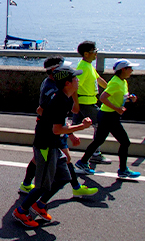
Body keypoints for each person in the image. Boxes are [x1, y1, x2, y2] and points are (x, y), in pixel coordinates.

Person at [13, 66, 92, 228]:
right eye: (76, 79)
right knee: (42, 184)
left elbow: (44, 113)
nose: (78, 81)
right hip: (46, 145)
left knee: (64, 177)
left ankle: (40, 205)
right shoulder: (60, 100)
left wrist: (66, 127)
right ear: (68, 83)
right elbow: (57, 129)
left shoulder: (65, 97)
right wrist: (80, 128)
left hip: (54, 144)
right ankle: (21, 211)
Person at [19, 56, 97, 197]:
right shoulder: (50, 89)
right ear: (55, 71)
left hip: (56, 129)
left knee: (42, 159)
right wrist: (70, 131)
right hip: (50, 132)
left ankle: (26, 185)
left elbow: (73, 109)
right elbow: (41, 110)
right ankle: (32, 203)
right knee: (62, 160)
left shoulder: (60, 86)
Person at [75, 59, 141, 178]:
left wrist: (130, 98)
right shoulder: (116, 82)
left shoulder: (123, 81)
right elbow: (103, 97)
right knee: (125, 142)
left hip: (108, 115)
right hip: (109, 116)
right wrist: (117, 108)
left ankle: (83, 162)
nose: (132, 70)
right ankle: (123, 169)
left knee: (99, 140)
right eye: (130, 68)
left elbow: (119, 96)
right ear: (123, 70)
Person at [73, 41, 111, 166]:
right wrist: (76, 104)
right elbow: (75, 87)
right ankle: (95, 154)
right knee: (101, 125)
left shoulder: (88, 65)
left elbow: (99, 79)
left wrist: (112, 90)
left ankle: (56, 146)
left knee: (71, 126)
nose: (96, 54)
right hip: (85, 103)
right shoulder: (83, 67)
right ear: (86, 53)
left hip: (90, 101)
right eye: (94, 51)